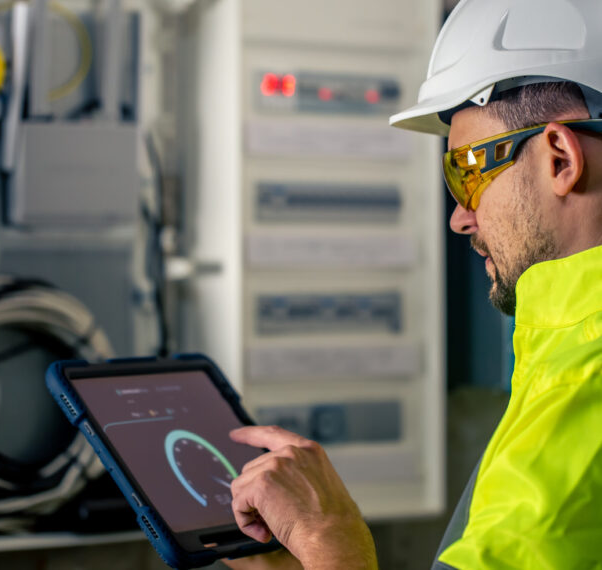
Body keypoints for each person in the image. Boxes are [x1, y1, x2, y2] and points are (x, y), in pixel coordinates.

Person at [224, 0, 602, 568]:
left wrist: (329, 536)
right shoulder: (561, 358)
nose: (460, 216)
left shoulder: (578, 392)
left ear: (559, 158)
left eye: (467, 172)